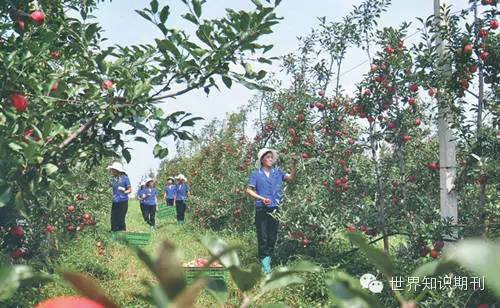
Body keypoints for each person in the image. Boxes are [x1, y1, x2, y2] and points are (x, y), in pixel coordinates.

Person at [246, 148, 297, 274]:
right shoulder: (256, 174)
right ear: (262, 159)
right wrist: (261, 198)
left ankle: (267, 261)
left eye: (271, 157)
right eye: (268, 157)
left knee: (272, 237)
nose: (270, 159)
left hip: (275, 208)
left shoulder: (277, 172)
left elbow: (291, 178)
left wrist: (294, 164)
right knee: (263, 237)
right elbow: (249, 190)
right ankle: (265, 266)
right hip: (261, 209)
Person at [107, 162, 132, 236]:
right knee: (113, 219)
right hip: (115, 201)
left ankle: (122, 235)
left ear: (117, 170)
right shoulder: (113, 179)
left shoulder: (125, 178)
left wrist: (124, 190)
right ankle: (114, 236)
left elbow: (130, 190)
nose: (111, 171)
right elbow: (107, 187)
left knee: (120, 219)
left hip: (123, 202)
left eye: (113, 170)